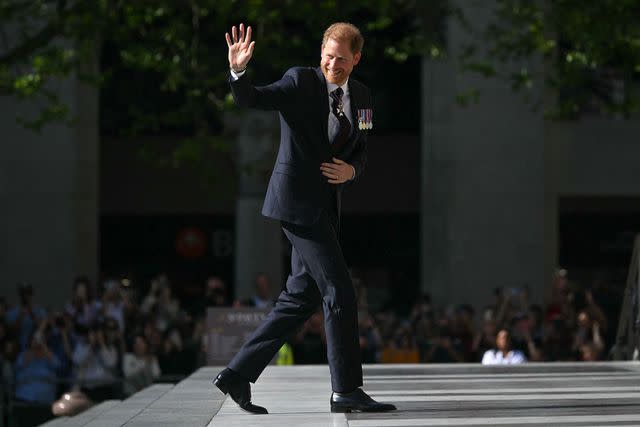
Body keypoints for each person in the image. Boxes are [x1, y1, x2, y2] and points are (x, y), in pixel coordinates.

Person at [213, 22, 395, 414]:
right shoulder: (299, 82)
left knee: (301, 297)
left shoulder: (363, 98)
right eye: (328, 56)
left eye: (342, 59)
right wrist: (238, 73)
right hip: (295, 203)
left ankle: (237, 374)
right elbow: (252, 99)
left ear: (356, 59)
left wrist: (353, 171)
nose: (333, 65)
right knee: (340, 292)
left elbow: (362, 147)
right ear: (321, 53)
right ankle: (345, 390)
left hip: (326, 207)